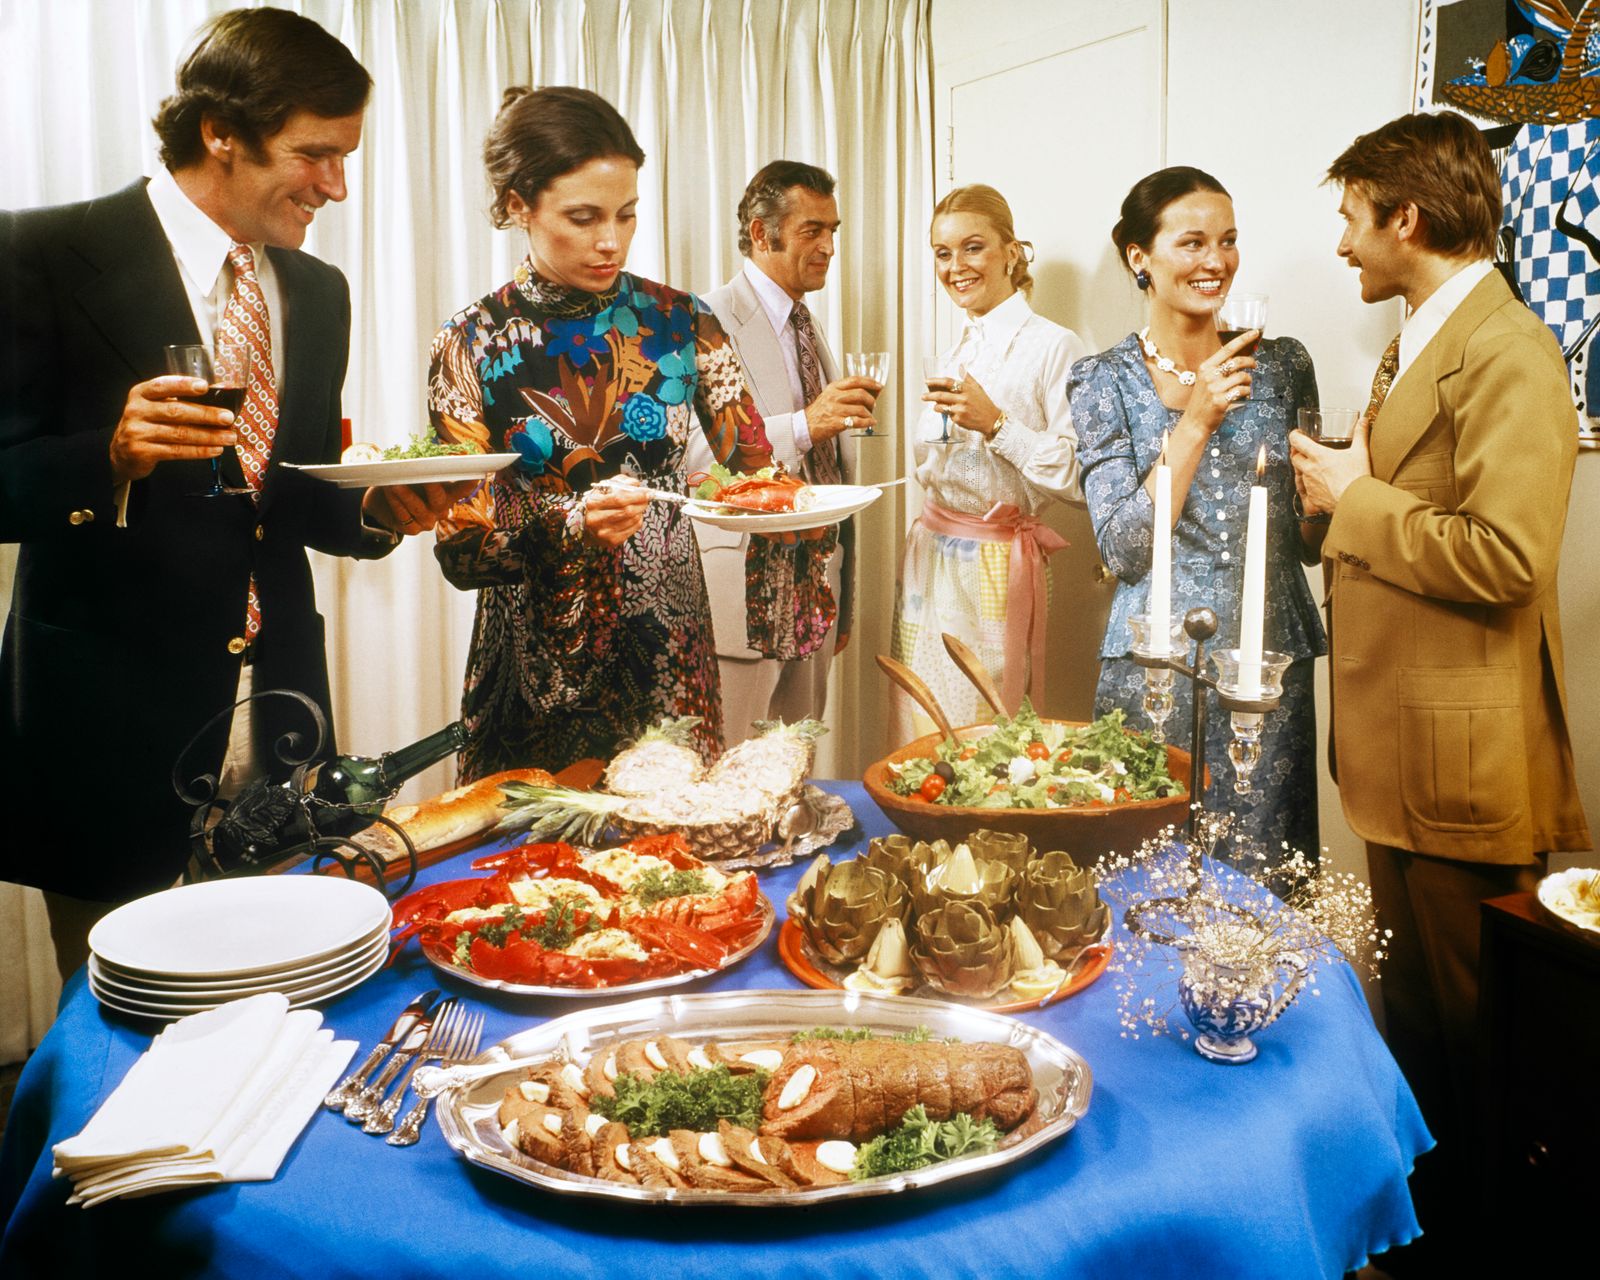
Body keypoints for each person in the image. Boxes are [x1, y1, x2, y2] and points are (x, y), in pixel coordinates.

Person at [0, 7, 457, 977]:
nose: (336, 185)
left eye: (345, 157)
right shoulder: (35, 252)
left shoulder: (319, 291)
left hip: (279, 708)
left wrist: (378, 509)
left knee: (284, 994)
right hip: (107, 728)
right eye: (315, 154)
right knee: (122, 1021)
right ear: (220, 133)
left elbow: (281, 496)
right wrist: (106, 456)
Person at [1291, 110, 1589, 1263]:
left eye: (1351, 218)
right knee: (1414, 1034)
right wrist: (1346, 492)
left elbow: (1506, 556)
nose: (1341, 244)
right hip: (1395, 753)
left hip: (1461, 759)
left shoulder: (1510, 349)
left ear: (1404, 217)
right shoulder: (1414, 338)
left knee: (1480, 1050)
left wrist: (1354, 499)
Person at [429, 86, 775, 779]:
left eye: (626, 214)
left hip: (668, 653)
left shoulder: (682, 320)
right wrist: (568, 526)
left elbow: (757, 473)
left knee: (673, 838)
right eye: (583, 217)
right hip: (532, 663)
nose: (611, 241)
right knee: (531, 845)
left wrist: (763, 502)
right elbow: (461, 553)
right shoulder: (471, 341)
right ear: (518, 206)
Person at [1072, 167, 1325, 866]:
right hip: (1155, 665)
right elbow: (1124, 548)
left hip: (1266, 667)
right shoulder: (1101, 379)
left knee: (1263, 878)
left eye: (1228, 240)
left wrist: (1337, 496)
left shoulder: (1284, 365)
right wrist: (1195, 421)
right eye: (1192, 242)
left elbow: (1307, 543)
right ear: (1140, 257)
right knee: (1146, 876)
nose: (1217, 261)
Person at [685, 161, 880, 745]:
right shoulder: (703, 319)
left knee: (795, 766)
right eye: (811, 231)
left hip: (816, 590)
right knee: (730, 773)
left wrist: (842, 596)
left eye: (833, 231)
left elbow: (829, 468)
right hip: (740, 595)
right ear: (761, 233)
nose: (829, 247)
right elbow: (693, 459)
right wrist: (804, 424)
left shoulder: (806, 323)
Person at [888, 185, 1088, 742]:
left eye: (972, 247)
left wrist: (998, 425)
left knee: (986, 731)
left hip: (999, 563)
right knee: (921, 726)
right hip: (928, 556)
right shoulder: (954, 351)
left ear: (1011, 252)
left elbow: (1079, 477)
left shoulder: (1055, 346)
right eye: (942, 253)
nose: (955, 267)